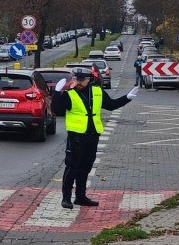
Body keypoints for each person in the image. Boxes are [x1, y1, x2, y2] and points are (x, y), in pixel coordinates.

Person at [52, 67, 137, 209]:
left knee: (85, 168)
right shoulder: (69, 94)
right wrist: (56, 94)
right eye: (76, 80)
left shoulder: (97, 92)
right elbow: (57, 109)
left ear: (89, 80)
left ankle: (80, 197)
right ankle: (66, 198)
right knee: (72, 168)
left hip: (92, 136)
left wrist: (127, 98)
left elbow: (111, 105)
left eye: (81, 80)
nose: (78, 83)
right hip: (76, 137)